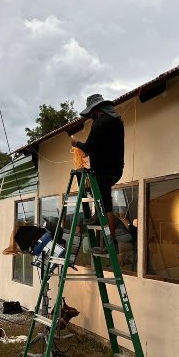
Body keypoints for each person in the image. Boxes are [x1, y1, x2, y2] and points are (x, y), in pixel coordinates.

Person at [70, 93, 124, 249]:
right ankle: (96, 216)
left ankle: (110, 243)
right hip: (116, 169)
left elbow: (89, 147)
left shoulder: (100, 122)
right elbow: (102, 146)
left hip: (103, 172)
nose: (90, 116)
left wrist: (76, 143)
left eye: (91, 113)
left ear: (95, 109)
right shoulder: (117, 122)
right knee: (97, 194)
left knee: (106, 206)